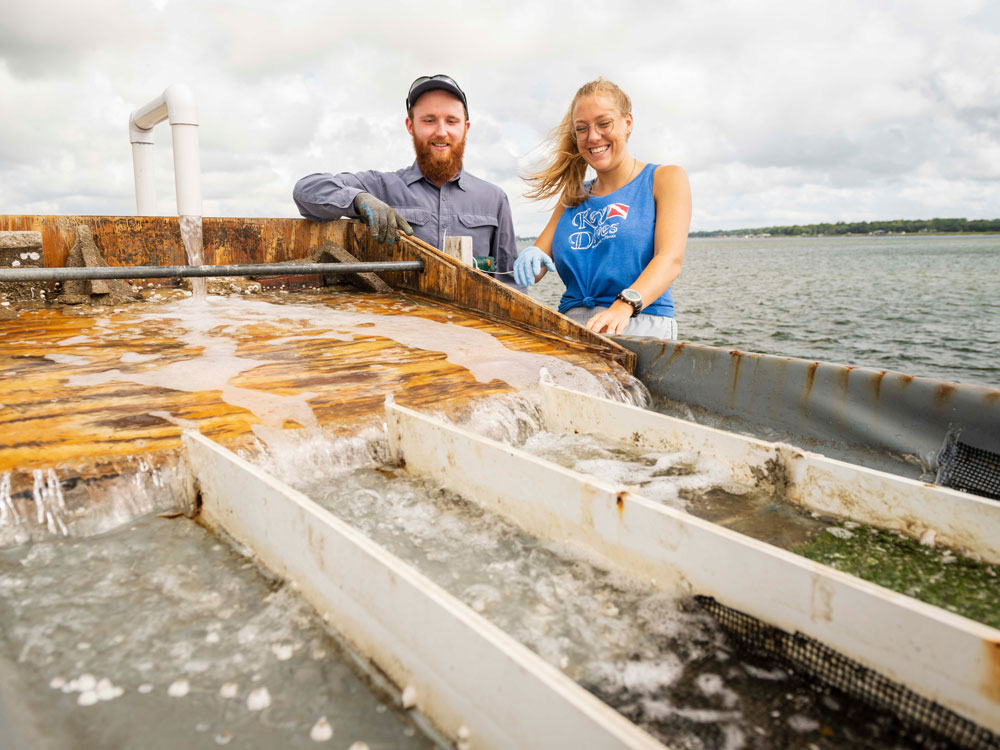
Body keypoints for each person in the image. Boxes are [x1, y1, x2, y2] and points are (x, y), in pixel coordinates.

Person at [293, 74, 520, 287]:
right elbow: (306, 190)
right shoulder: (380, 188)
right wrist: (359, 199)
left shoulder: (494, 199)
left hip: (471, 327)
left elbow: (511, 285)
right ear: (410, 126)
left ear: (465, 128)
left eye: (451, 121)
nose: (441, 132)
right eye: (429, 120)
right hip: (399, 324)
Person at [515, 78, 691, 337]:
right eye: (582, 128)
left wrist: (625, 305)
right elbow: (538, 265)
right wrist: (528, 258)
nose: (593, 136)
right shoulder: (573, 194)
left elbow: (670, 260)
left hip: (638, 322)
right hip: (572, 327)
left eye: (604, 123)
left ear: (627, 123)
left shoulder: (665, 179)